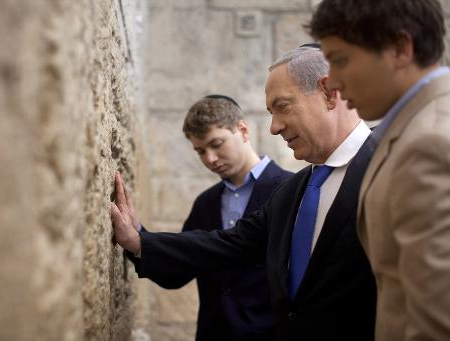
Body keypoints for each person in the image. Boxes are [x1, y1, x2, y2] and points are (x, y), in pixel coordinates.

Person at [112, 46, 376, 341]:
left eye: (283, 106)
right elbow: (229, 244)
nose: (274, 127)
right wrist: (139, 241)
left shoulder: (393, 166)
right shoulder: (291, 193)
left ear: (328, 92)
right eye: (270, 112)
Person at [309, 1, 450, 340]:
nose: (333, 82)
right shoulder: (414, 129)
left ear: (400, 48)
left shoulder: (429, 143)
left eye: (341, 60)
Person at [134, 95, 293, 341]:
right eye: (200, 151)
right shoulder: (205, 203)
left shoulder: (288, 190)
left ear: (242, 130)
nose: (209, 159)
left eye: (216, 144)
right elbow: (176, 272)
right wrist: (136, 235)